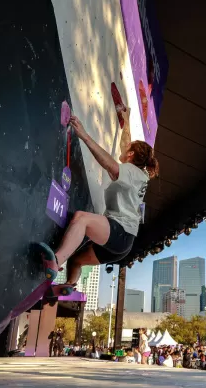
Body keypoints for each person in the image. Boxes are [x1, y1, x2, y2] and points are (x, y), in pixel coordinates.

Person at [39, 111, 159, 295]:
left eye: (127, 150)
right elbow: (125, 144)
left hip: (120, 232)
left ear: (131, 154)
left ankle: (56, 261)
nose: (123, 150)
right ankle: (67, 286)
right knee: (77, 260)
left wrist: (84, 135)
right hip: (122, 245)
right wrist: (126, 120)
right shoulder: (139, 175)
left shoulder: (132, 171)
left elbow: (111, 165)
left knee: (82, 218)